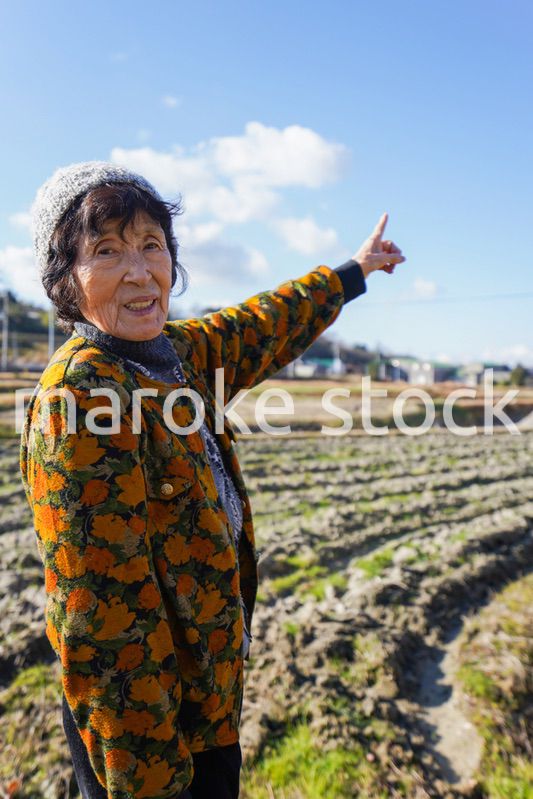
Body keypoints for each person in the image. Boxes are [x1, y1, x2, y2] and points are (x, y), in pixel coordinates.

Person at [19, 161, 406, 799]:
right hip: (151, 734)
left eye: (151, 245)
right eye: (107, 251)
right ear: (65, 281)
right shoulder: (85, 394)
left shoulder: (171, 352)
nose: (140, 271)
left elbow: (260, 323)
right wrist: (149, 780)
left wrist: (354, 272)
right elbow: (104, 627)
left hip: (203, 702)